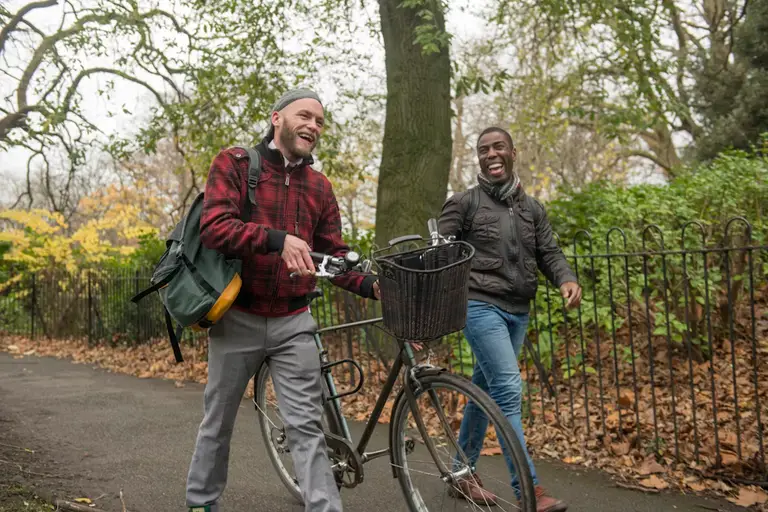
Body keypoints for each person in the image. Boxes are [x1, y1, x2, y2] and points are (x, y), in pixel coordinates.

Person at [186, 88, 380, 512]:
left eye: (320, 121)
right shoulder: (235, 164)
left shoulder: (320, 187)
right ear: (278, 118)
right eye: (305, 115)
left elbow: (331, 255)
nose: (313, 125)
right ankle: (201, 502)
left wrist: (372, 286)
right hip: (239, 316)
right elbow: (215, 228)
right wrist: (277, 240)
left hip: (294, 320)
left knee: (305, 426)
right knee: (218, 421)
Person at [438, 126, 581, 512]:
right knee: (506, 389)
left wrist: (566, 278)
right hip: (479, 306)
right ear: (480, 159)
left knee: (483, 393)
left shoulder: (531, 208)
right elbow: (441, 257)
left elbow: (549, 252)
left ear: (513, 153)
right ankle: (528, 491)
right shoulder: (463, 203)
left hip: (519, 311)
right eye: (484, 149)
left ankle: (460, 473)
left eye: (498, 147)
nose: (491, 154)